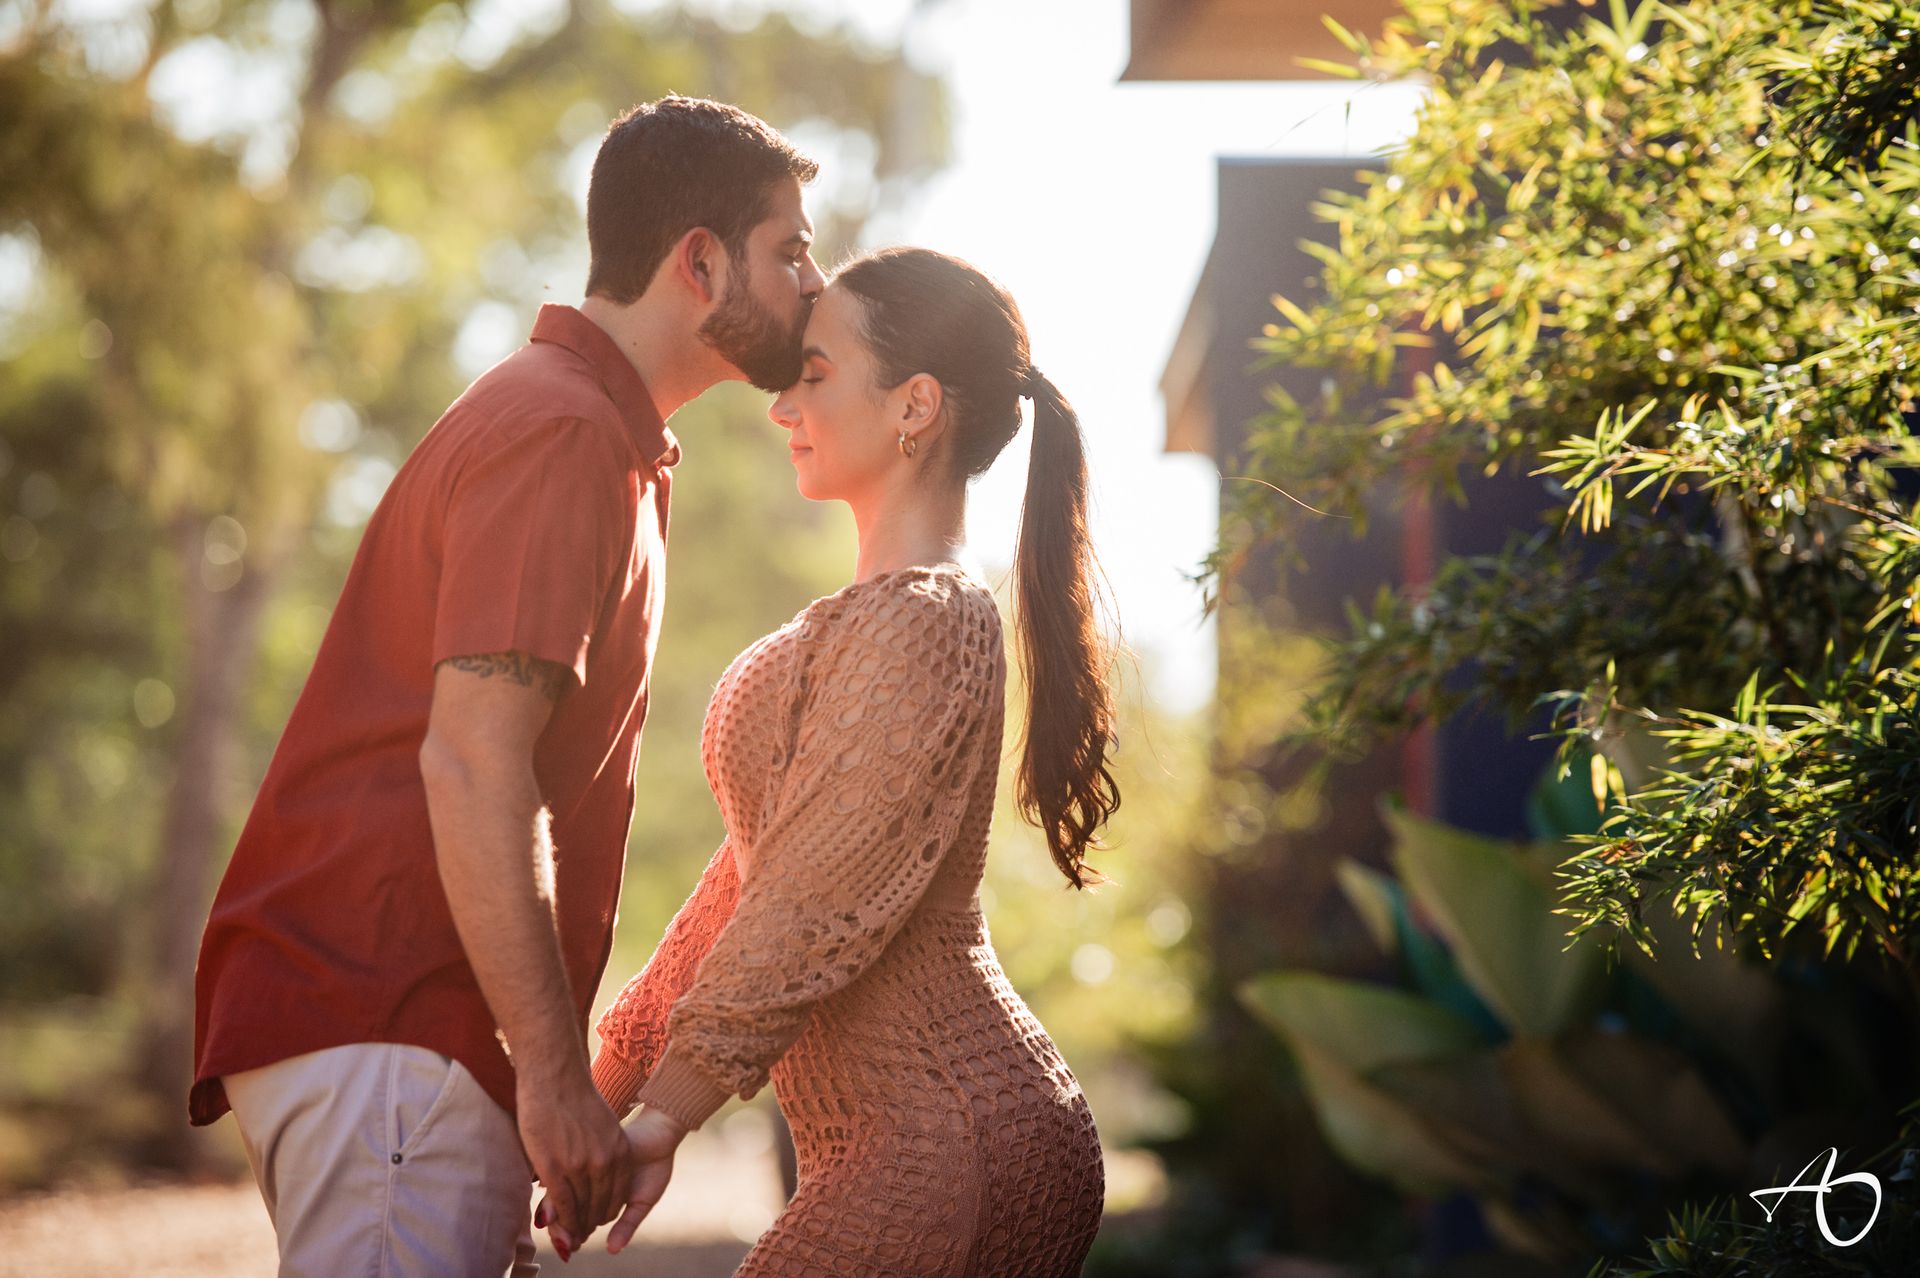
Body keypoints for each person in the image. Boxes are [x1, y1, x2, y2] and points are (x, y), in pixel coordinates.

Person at [187, 95, 827, 1276]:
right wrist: (549, 1078)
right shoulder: (564, 431)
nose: (813, 283)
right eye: (790, 250)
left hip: (409, 1047)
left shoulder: (595, 432)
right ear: (698, 261)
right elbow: (473, 757)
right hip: (393, 1029)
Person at [578, 246, 1118, 1276]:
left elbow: (805, 905)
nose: (783, 405)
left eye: (814, 374)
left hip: (948, 1135)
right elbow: (748, 886)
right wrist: (601, 1097)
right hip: (921, 1136)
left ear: (915, 405)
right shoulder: (870, 624)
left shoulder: (926, 625)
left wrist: (665, 1116)